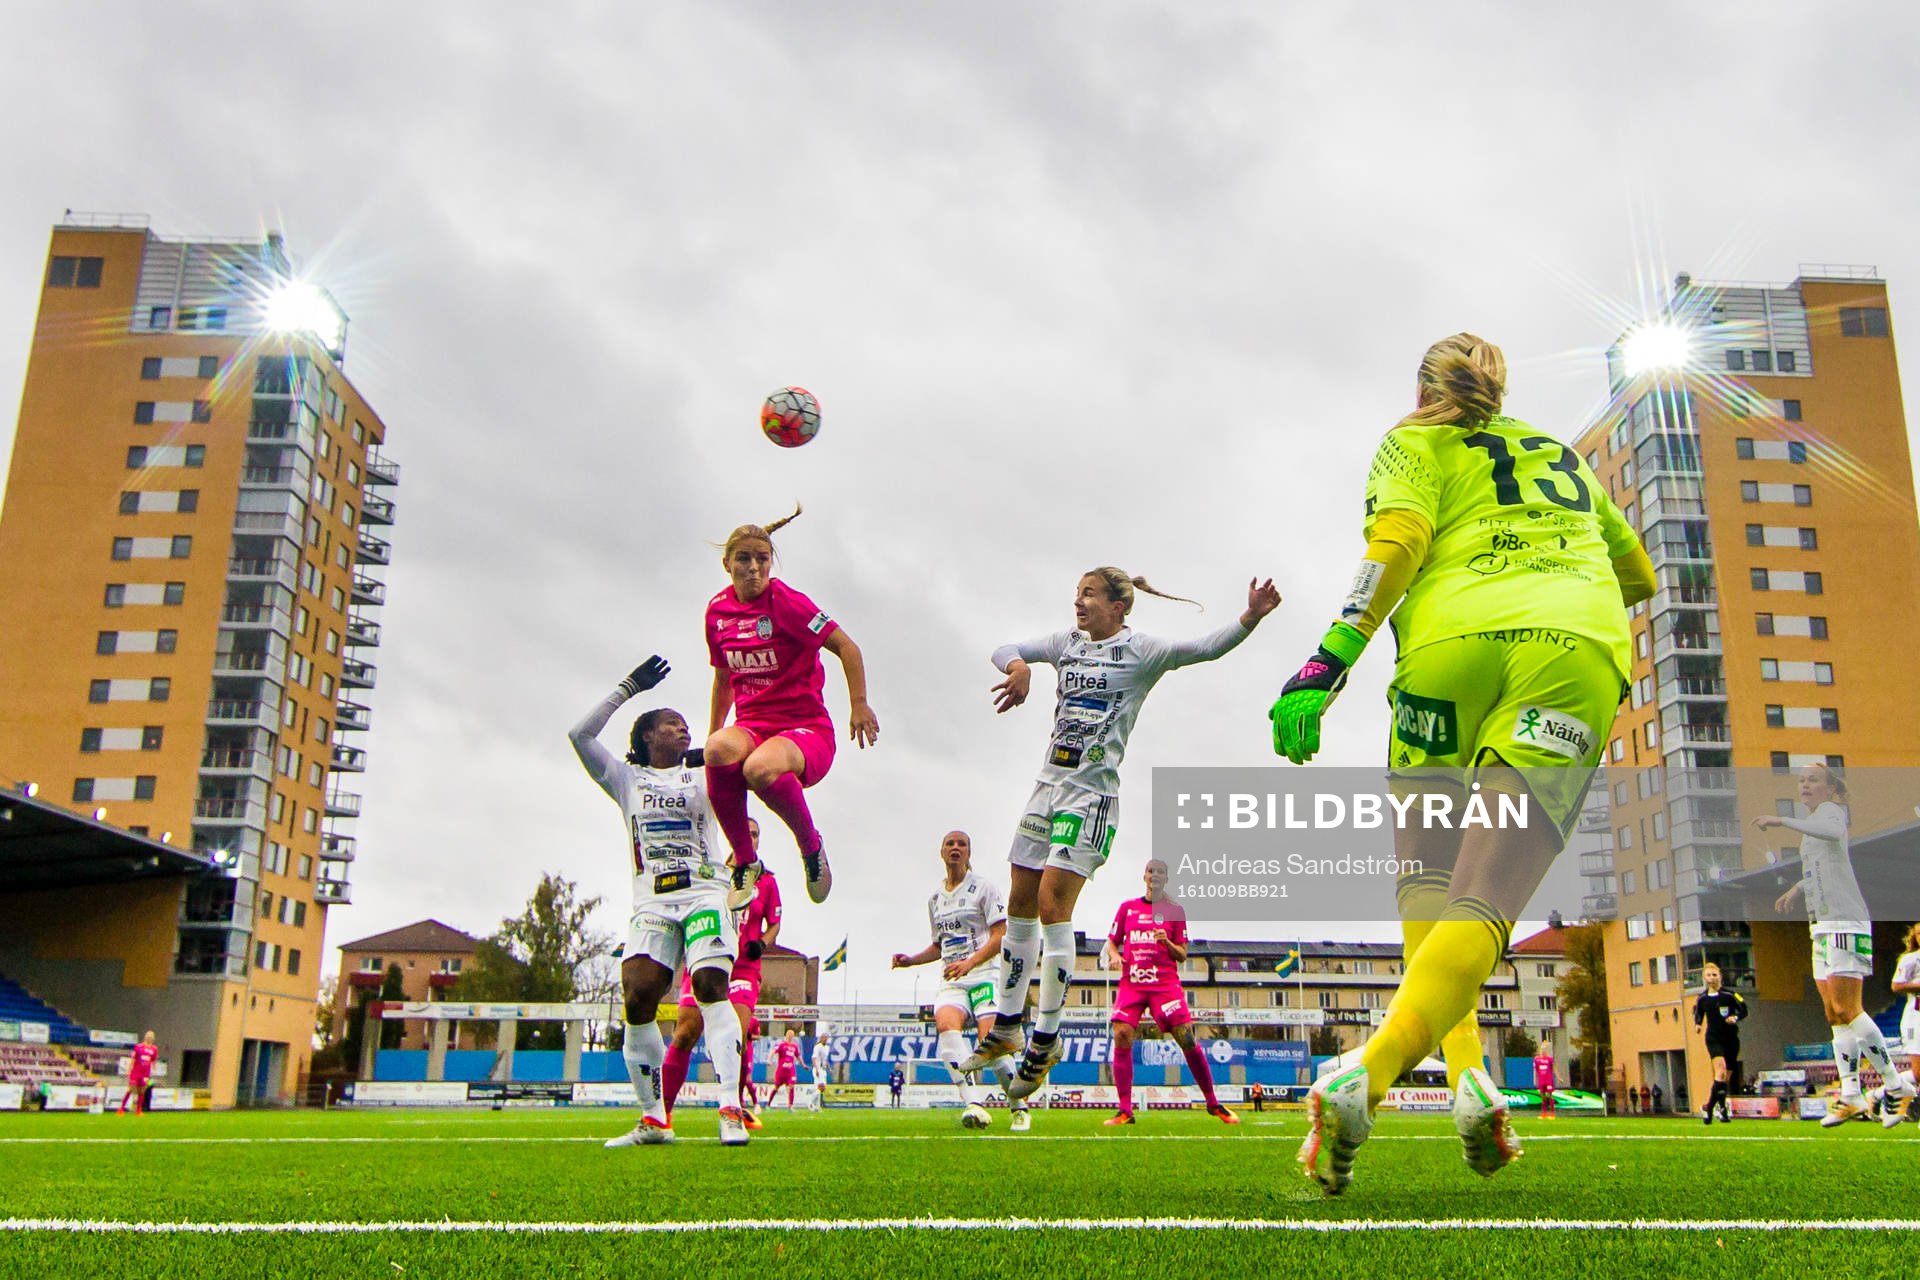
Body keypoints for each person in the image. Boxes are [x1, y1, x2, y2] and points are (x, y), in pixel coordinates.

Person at [1273, 333, 1654, 1194]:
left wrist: (1328, 660)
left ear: (1424, 389)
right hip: (1568, 648)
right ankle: (1393, 1074)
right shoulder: (1558, 455)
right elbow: (1636, 575)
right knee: (1485, 897)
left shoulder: (1414, 440)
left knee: (1428, 880)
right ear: (1501, 390)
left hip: (1447, 650)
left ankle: (1458, 1078)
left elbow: (1401, 537)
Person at [962, 568, 1281, 1103]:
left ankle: (1045, 1040)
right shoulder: (1066, 644)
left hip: (1091, 797)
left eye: (1088, 594)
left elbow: (1205, 648)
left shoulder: (1141, 651)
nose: (1078, 602)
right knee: (1019, 903)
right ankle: (1008, 1026)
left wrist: (1250, 616)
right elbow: (1006, 647)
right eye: (1076, 593)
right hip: (1047, 788)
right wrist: (1019, 667)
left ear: (1118, 607)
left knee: (1051, 904)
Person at [568, 656, 750, 1148]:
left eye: (685, 724)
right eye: (671, 723)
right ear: (647, 735)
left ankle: (730, 1108)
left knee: (711, 985)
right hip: (652, 902)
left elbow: (747, 755)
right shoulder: (625, 779)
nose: (682, 729)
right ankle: (653, 1120)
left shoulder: (705, 772)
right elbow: (579, 735)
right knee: (638, 996)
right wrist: (629, 687)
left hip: (705, 892)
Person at [703, 506, 879, 907]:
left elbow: (847, 646)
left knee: (758, 768)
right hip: (753, 725)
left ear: (771, 563)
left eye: (762, 559)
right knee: (718, 750)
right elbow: (724, 677)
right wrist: (713, 731)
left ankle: (811, 847)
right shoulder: (717, 612)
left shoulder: (786, 602)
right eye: (743, 559)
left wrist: (859, 704)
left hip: (806, 729)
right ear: (727, 564)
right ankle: (745, 862)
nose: (753, 568)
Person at [1757, 764, 1915, 1129]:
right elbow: (1822, 869)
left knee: (1847, 1007)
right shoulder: (1813, 828)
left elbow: (1830, 833)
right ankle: (1851, 1094)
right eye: (1801, 780)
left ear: (1830, 789)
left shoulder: (1831, 812)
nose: (1805, 785)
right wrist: (1798, 889)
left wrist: (1781, 820)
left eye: (1813, 780)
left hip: (1845, 921)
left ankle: (1896, 1084)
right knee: (1832, 1013)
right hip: (1821, 927)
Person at [891, 831, 1031, 1132]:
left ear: (969, 853)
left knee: (989, 1043)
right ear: (941, 852)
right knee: (946, 1027)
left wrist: (970, 963)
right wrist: (911, 960)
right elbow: (939, 946)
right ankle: (974, 1104)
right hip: (953, 979)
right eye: (950, 844)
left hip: (984, 974)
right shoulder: (935, 899)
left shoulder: (983, 888)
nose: (955, 848)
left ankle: (1019, 1107)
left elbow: (1000, 935)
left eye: (962, 844)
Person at [662, 820, 781, 1128]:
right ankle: (662, 1112)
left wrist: (761, 944)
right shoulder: (711, 871)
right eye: (746, 832)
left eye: (756, 834)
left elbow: (775, 923)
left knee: (736, 1033)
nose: (750, 838)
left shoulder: (767, 881)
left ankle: (733, 1108)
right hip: (705, 960)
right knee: (685, 1032)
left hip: (743, 969)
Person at [1101, 859, 1237, 1127]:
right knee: (1122, 1033)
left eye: (1160, 872)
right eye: (1150, 871)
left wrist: (1167, 942)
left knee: (1185, 1037)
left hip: (1164, 985)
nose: (1154, 876)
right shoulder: (1128, 908)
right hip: (1133, 983)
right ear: (1144, 876)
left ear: (1166, 879)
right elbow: (1112, 944)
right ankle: (1125, 1110)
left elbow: (1183, 955)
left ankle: (1212, 1103)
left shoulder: (1174, 911)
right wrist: (1115, 956)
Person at [1693, 962, 1746, 1125]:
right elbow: (1698, 1012)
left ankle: (1709, 1107)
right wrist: (1698, 1024)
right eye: (1708, 975)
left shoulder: (1730, 995)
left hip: (1731, 1038)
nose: (1712, 978)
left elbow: (1744, 1009)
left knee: (1725, 1078)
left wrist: (1735, 1017)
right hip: (1714, 1038)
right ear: (1704, 977)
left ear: (1720, 976)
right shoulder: (1702, 998)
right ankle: (1721, 1109)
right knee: (1720, 1070)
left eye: (1714, 975)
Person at [1892, 923, 1920, 1111]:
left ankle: (1877, 1094)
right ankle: (1880, 1093)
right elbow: (1897, 985)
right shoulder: (1911, 959)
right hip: (1915, 1019)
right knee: (1918, 1074)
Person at [116, 1031, 159, 1116]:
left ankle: (138, 1110)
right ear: (145, 1037)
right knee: (131, 1089)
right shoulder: (139, 1046)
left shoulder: (154, 1049)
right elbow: (133, 1058)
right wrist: (129, 1069)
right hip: (136, 1072)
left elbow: (153, 1060)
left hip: (145, 1073)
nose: (149, 1038)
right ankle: (121, 1108)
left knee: (142, 1091)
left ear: (153, 1038)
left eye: (151, 1036)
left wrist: (154, 1070)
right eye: (148, 1036)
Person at [768, 1028, 803, 1109]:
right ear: (786, 1036)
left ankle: (790, 1106)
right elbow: (772, 1052)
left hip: (790, 1071)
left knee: (791, 1086)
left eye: (792, 1035)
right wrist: (769, 1060)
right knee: (776, 1087)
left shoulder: (794, 1047)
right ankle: (768, 1104)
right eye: (789, 1035)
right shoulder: (781, 1045)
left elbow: (798, 1056)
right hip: (781, 1071)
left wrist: (803, 1065)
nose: (790, 1037)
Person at [809, 1033, 831, 1113]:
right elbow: (813, 1058)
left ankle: (816, 1107)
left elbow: (825, 1059)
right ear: (821, 1038)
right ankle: (810, 1101)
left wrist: (829, 1068)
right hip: (818, 1069)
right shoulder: (817, 1047)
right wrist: (816, 1069)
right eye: (824, 1038)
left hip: (823, 1070)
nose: (825, 1039)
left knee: (819, 1089)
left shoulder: (827, 1048)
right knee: (822, 1087)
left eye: (826, 1038)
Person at [1533, 1043, 1556, 1119]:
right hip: (1541, 1081)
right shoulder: (1537, 1060)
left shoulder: (1549, 1059)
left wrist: (1558, 1077)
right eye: (1542, 1049)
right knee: (1543, 1097)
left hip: (1549, 1081)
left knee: (1550, 1096)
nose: (1543, 1051)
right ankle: (1544, 1114)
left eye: (1545, 1049)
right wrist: (1535, 1081)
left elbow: (1553, 1069)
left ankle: (1552, 1113)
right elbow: (1536, 1071)